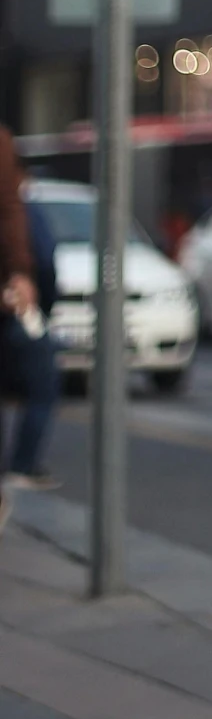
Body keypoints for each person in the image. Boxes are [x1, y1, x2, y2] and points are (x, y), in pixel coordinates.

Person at [2, 168, 60, 496]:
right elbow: (46, 262)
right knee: (43, 389)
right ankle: (23, 464)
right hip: (20, 314)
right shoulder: (22, 212)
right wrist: (44, 308)